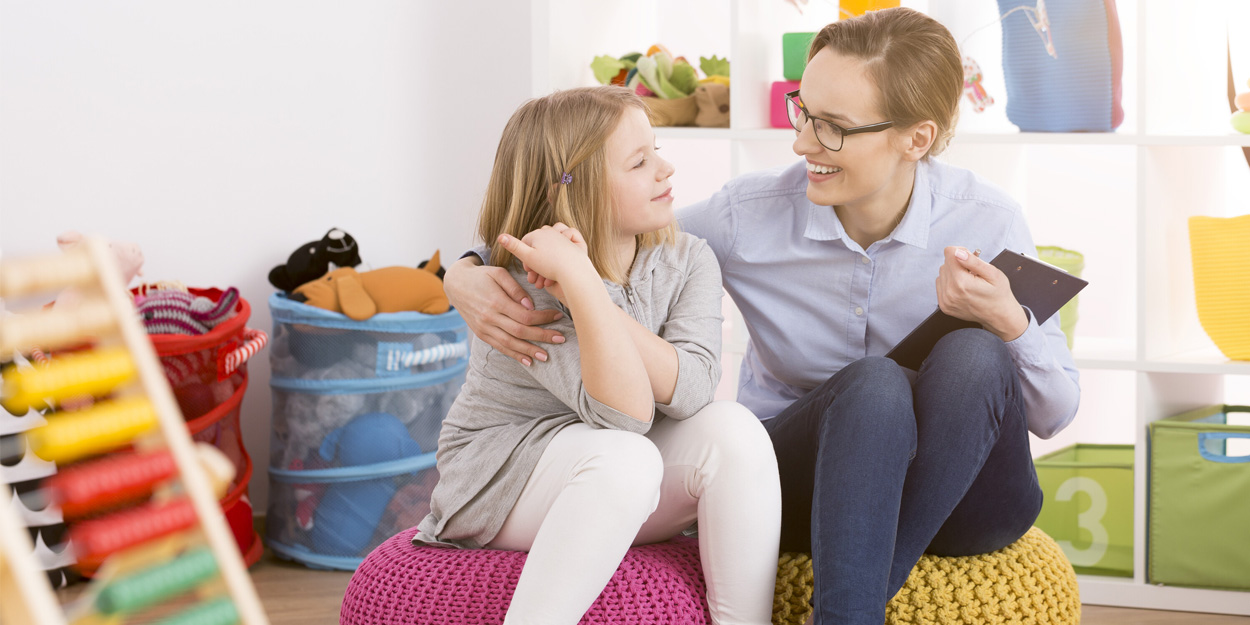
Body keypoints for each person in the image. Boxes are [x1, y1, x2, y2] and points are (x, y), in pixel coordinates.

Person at [443, 8, 1082, 625]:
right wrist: (466, 272)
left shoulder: (988, 220)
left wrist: (1009, 322)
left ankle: (856, 604)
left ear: (916, 138)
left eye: (832, 126)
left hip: (969, 501)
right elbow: (598, 212)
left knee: (975, 354)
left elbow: (1053, 413)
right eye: (802, 110)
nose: (803, 141)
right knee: (873, 383)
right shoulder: (750, 216)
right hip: (814, 486)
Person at [414, 85, 781, 625]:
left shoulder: (687, 258)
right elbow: (627, 418)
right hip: (501, 480)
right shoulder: (527, 282)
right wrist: (582, 285)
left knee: (736, 430)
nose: (665, 169)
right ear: (574, 187)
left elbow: (696, 388)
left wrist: (585, 286)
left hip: (611, 467)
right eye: (639, 162)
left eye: (656, 149)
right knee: (625, 458)